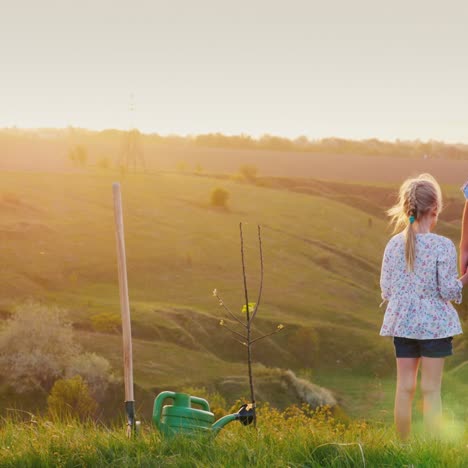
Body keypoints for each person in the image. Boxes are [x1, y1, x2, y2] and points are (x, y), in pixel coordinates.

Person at [380, 173, 467, 441]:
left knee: (404, 389)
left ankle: (403, 446)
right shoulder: (442, 246)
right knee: (431, 390)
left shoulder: (394, 244)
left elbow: (386, 288)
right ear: (435, 209)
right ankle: (432, 449)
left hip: (403, 325)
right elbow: (447, 291)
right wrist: (465, 279)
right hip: (434, 329)